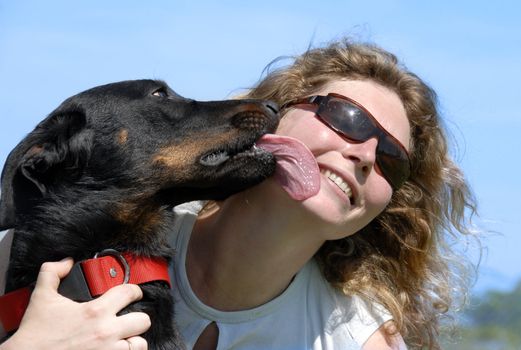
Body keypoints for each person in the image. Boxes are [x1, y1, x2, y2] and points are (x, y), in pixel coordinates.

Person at [0, 38, 478, 350]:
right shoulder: (62, 244)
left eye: (392, 160)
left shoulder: (356, 339)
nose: (366, 155)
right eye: (347, 119)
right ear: (280, 111)